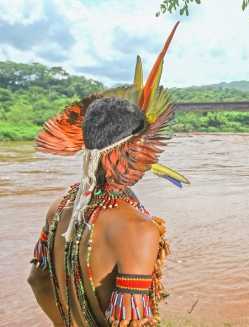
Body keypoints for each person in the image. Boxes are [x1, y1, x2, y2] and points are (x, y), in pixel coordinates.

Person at [27, 22, 188, 327]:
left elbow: (37, 281)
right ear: (117, 154)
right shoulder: (139, 230)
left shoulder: (60, 206)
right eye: (143, 147)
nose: (151, 157)